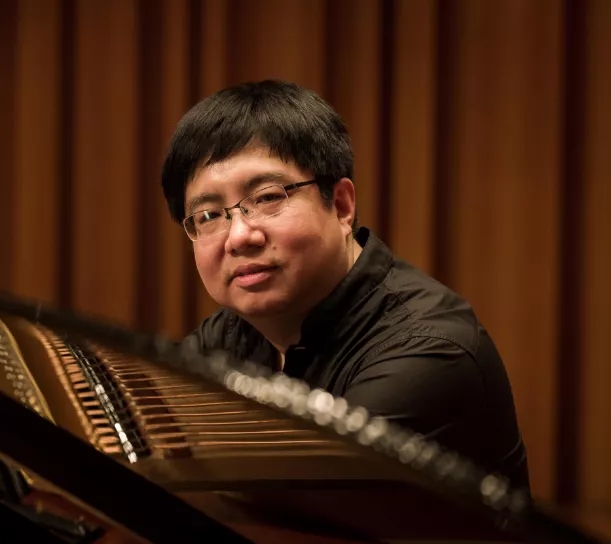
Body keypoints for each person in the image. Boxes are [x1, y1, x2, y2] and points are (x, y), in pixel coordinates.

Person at [160, 79, 529, 490]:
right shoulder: (231, 333)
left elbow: (287, 504)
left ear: (340, 205)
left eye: (266, 198)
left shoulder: (428, 352)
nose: (239, 236)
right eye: (209, 216)